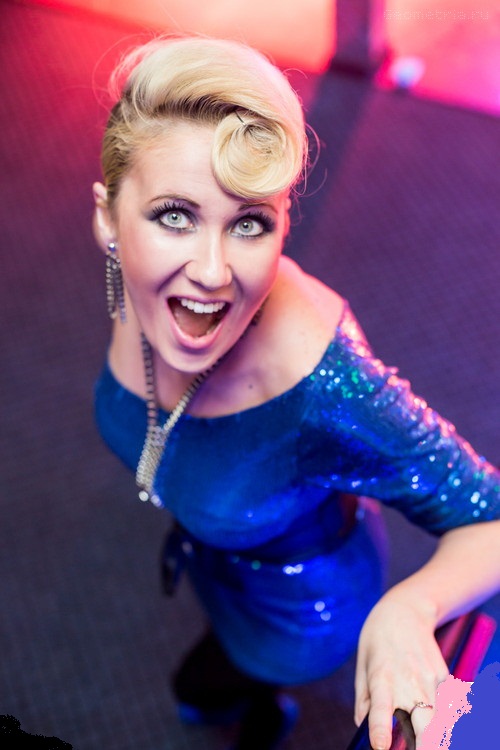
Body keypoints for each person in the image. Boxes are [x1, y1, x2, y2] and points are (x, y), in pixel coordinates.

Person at [92, 35, 500, 750]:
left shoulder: (322, 387)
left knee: (214, 688)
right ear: (109, 221)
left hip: (299, 614)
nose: (212, 273)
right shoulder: (140, 290)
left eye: (249, 223)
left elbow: (492, 516)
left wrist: (409, 607)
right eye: (174, 216)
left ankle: (266, 705)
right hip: (217, 562)